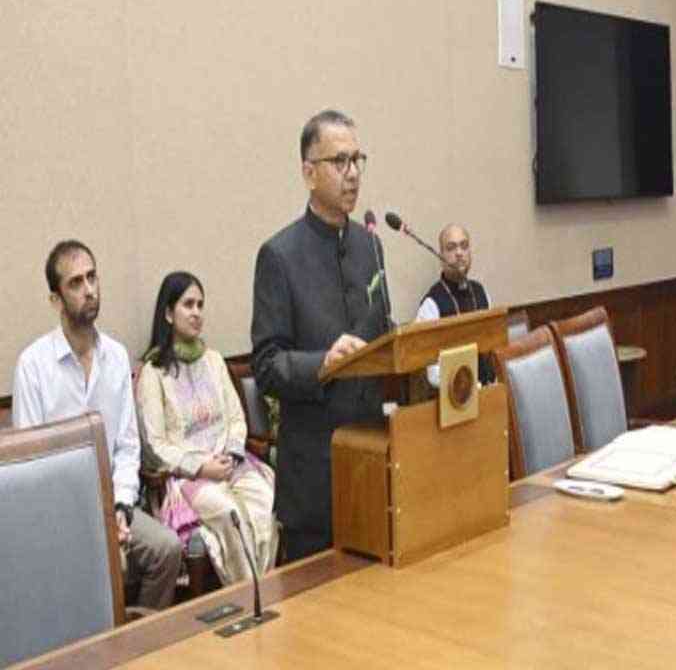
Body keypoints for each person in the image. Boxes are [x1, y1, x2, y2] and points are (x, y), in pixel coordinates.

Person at [251, 110, 391, 560]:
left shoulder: (371, 246)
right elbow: (267, 366)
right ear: (309, 173)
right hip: (315, 477)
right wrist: (321, 365)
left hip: (373, 461)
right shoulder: (279, 256)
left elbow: (382, 335)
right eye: (339, 162)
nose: (352, 174)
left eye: (357, 160)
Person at [11, 240, 182, 608]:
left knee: (167, 549)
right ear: (56, 300)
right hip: (58, 515)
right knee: (107, 565)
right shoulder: (33, 365)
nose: (89, 289)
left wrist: (120, 507)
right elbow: (30, 465)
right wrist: (81, 521)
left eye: (92, 277)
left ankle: (141, 650)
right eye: (75, 283)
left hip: (112, 504)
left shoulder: (117, 357)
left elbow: (126, 445)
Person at [136, 271, 278, 584]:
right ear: (169, 313)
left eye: (201, 304)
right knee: (230, 513)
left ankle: (266, 586)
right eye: (188, 304)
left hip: (230, 463)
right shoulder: (153, 372)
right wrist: (201, 467)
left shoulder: (213, 360)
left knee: (264, 499)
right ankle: (246, 596)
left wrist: (230, 454)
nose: (197, 312)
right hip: (188, 476)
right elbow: (155, 445)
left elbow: (236, 418)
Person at [415, 223, 494, 384]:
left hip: (489, 392)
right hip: (456, 398)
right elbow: (433, 373)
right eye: (451, 248)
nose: (459, 253)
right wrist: (468, 386)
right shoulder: (431, 304)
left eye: (464, 246)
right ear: (441, 256)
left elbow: (493, 346)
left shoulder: (481, 292)